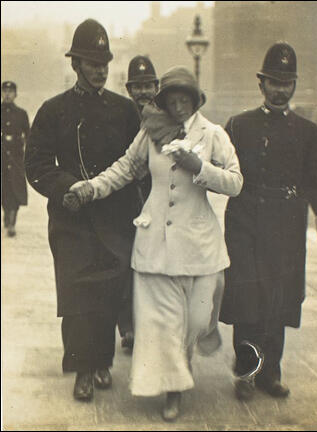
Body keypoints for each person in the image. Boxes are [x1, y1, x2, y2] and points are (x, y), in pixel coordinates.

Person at [66, 66, 243, 421]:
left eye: (184, 100)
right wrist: (91, 188)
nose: (178, 107)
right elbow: (126, 168)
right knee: (164, 325)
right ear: (163, 102)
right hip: (155, 245)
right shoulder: (151, 133)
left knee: (195, 320)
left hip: (199, 246)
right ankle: (172, 389)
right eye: (171, 100)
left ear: (195, 101)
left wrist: (200, 167)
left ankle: (196, 345)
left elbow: (236, 182)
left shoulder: (212, 135)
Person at [24, 19, 140, 402]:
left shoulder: (125, 112)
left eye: (105, 61)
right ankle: (82, 370)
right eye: (92, 62)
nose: (101, 69)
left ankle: (102, 361)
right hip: (71, 220)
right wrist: (65, 188)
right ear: (76, 65)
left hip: (114, 220)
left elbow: (137, 164)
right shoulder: (53, 110)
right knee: (76, 298)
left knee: (108, 294)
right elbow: (36, 163)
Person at [220, 42, 317, 401]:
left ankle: (270, 373)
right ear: (261, 84)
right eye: (273, 82)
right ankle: (246, 372)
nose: (280, 90)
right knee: (247, 300)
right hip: (245, 226)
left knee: (278, 300)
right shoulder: (238, 126)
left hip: (286, 229)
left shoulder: (307, 132)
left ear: (294, 86)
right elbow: (218, 169)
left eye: (287, 83)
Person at [117, 55, 159, 352]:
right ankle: (128, 328)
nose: (143, 92)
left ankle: (149, 325)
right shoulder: (119, 117)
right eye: (137, 87)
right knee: (125, 266)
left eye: (148, 86)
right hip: (125, 203)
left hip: (156, 203)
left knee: (153, 268)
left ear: (157, 87)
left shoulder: (166, 116)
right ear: (129, 89)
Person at [1, 81, 30, 237]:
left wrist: (28, 154)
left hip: (17, 157)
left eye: (10, 91)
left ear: (15, 94)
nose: (7, 94)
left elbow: (29, 134)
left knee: (16, 188)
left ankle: (12, 222)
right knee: (4, 188)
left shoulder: (21, 113)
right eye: (4, 91)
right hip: (1, 158)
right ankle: (7, 214)